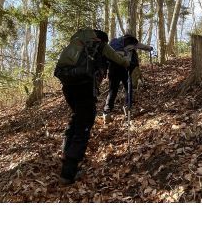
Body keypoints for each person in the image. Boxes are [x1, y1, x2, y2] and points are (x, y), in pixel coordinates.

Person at [54, 28, 130, 185]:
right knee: (84, 125)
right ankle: (68, 172)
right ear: (101, 39)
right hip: (85, 87)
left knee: (77, 118)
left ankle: (66, 152)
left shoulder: (77, 44)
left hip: (68, 86)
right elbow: (119, 60)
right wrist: (128, 61)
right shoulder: (101, 45)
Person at [103, 33, 153, 123]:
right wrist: (150, 48)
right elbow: (142, 46)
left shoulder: (114, 41)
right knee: (128, 88)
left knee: (112, 90)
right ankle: (128, 109)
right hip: (125, 66)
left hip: (113, 67)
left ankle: (107, 113)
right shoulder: (131, 41)